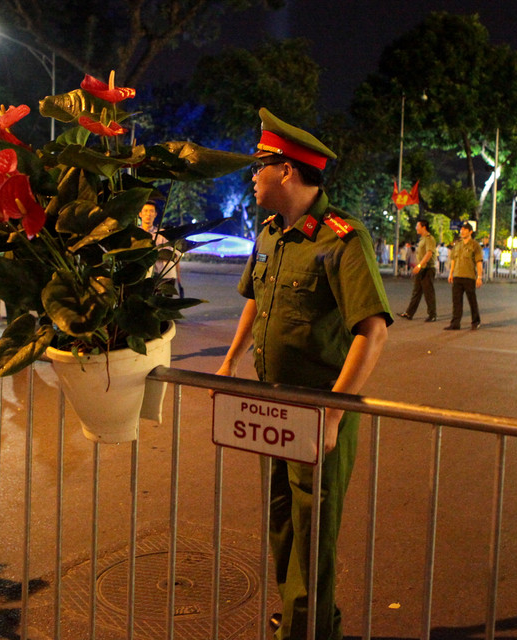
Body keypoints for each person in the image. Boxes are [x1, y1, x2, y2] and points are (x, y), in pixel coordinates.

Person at [214, 108, 391, 640]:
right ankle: (297, 616)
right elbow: (254, 301)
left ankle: (311, 628)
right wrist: (230, 361)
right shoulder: (271, 234)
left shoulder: (342, 240)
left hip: (319, 410)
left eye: (259, 167)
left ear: (286, 171)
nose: (253, 177)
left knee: (315, 531)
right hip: (274, 404)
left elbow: (373, 332)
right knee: (282, 520)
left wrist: (334, 415)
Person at [139, 201, 184, 297]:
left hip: (163, 275)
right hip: (141, 276)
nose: (148, 214)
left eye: (151, 211)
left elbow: (172, 255)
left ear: (155, 214)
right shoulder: (135, 233)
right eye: (145, 211)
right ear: (140, 214)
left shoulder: (162, 234)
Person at [398, 219, 439, 322]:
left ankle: (432, 315)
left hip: (427, 269)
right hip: (421, 269)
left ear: (423, 227)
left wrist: (420, 265)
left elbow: (429, 253)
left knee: (428, 292)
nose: (416, 228)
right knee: (416, 292)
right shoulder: (422, 239)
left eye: (417, 226)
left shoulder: (429, 239)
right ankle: (409, 313)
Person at [445, 222, 483, 330]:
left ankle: (476, 321)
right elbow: (453, 260)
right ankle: (455, 323)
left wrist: (479, 277)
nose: (462, 231)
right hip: (457, 275)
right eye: (461, 229)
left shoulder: (475, 245)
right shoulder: (457, 245)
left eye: (465, 229)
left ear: (470, 232)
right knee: (456, 301)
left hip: (469, 276)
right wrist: (451, 273)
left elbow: (479, 262)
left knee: (472, 300)